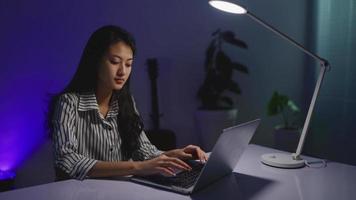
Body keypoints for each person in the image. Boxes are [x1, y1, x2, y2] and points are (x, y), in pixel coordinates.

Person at [47, 25, 207, 180]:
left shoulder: (126, 101)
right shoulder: (68, 102)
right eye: (115, 62)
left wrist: (176, 154)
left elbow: (143, 150)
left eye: (129, 64)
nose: (123, 72)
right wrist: (136, 167)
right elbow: (66, 160)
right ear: (95, 61)